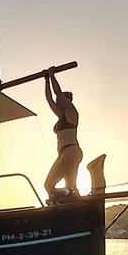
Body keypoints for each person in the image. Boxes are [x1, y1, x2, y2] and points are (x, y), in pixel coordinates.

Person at [44, 69, 83, 201]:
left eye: (60, 101)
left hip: (71, 151)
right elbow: (49, 99)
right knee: (48, 185)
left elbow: (58, 93)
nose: (58, 103)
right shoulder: (61, 116)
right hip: (63, 153)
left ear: (68, 100)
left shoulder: (71, 111)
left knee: (70, 185)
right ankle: (65, 200)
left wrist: (52, 75)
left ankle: (74, 203)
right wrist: (46, 80)